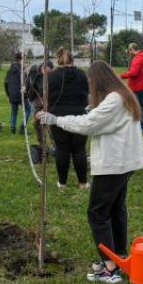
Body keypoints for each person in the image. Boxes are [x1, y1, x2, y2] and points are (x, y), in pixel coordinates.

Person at [36, 60, 143, 284]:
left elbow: (89, 125)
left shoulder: (114, 100)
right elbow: (100, 118)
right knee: (115, 210)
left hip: (114, 165)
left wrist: (55, 120)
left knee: (97, 214)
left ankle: (110, 268)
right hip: (125, 163)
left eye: (90, 82)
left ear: (98, 81)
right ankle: (119, 257)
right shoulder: (122, 94)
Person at [46, 48, 90, 188]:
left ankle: (62, 183)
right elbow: (88, 93)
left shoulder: (51, 76)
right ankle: (82, 182)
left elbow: (45, 96)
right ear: (73, 60)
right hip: (80, 115)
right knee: (79, 149)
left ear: (58, 60)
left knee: (62, 150)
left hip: (57, 116)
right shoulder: (82, 75)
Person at [119, 43, 143, 133]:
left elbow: (133, 73)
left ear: (132, 49)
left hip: (141, 86)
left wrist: (120, 76)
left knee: (140, 107)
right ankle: (142, 126)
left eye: (129, 51)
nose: (129, 53)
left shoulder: (138, 59)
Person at [26, 60, 54, 145]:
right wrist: (26, 91)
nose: (44, 68)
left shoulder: (52, 77)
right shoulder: (36, 76)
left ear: (51, 69)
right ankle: (41, 142)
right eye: (43, 66)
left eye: (46, 67)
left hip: (48, 104)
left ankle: (54, 143)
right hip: (37, 103)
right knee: (37, 124)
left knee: (49, 124)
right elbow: (30, 87)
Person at [4, 52, 30, 134]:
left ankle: (12, 128)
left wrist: (8, 94)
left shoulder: (9, 71)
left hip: (12, 94)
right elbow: (26, 82)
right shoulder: (22, 70)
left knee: (13, 112)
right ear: (21, 59)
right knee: (28, 109)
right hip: (20, 94)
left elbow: (5, 83)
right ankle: (22, 127)